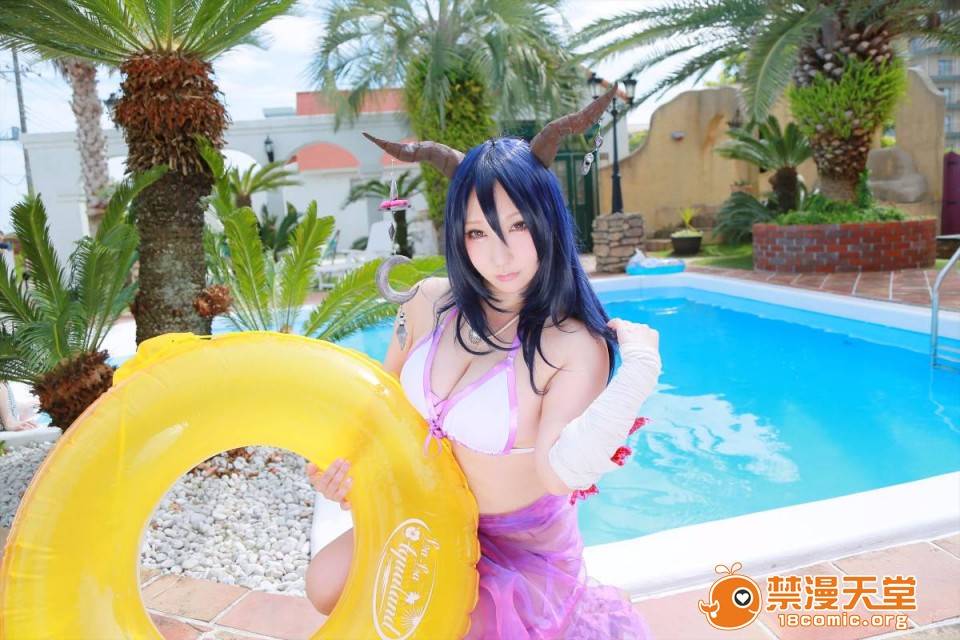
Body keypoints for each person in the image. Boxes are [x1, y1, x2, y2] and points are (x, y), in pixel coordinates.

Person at [304, 86, 661, 639]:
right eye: (477, 232)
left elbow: (559, 472)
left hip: (517, 549)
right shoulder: (427, 302)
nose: (499, 254)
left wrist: (636, 377)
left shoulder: (571, 343)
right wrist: (344, 470)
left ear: (548, 221)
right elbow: (382, 407)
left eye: (518, 225)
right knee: (325, 583)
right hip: (427, 511)